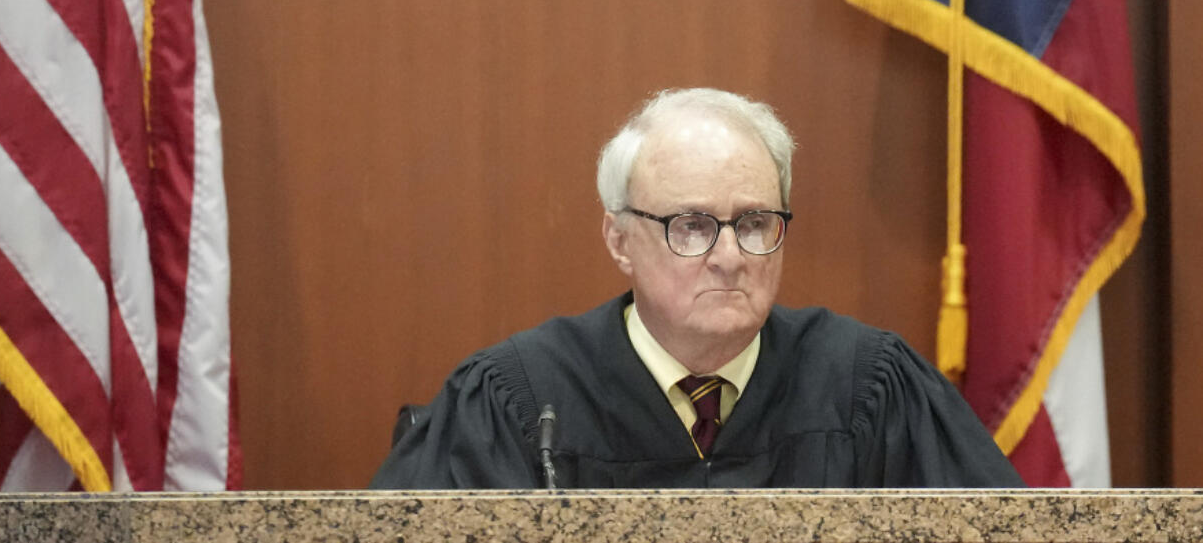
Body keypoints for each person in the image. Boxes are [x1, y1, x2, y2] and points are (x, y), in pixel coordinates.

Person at [371, 88, 1022, 489]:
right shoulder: (517, 399)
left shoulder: (868, 388)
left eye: (756, 222)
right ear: (619, 238)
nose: (731, 256)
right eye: (692, 225)